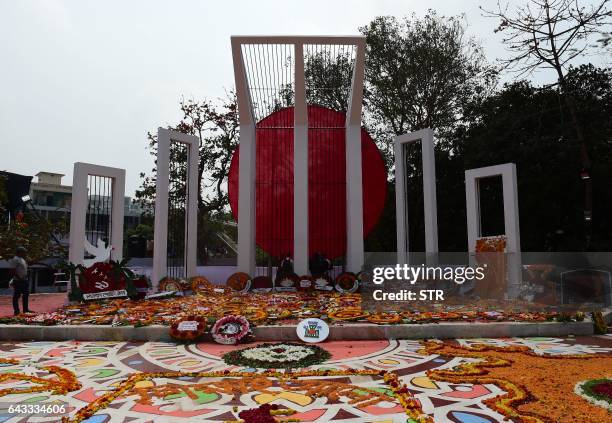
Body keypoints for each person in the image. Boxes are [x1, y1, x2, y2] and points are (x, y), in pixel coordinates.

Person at [9, 246, 32, 315]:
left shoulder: (22, 259)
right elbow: (12, 270)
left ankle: (25, 309)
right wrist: (19, 278)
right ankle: (16, 311)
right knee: (17, 295)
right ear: (19, 252)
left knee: (26, 294)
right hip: (18, 280)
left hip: (24, 280)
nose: (25, 253)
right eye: (24, 252)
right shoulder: (15, 259)